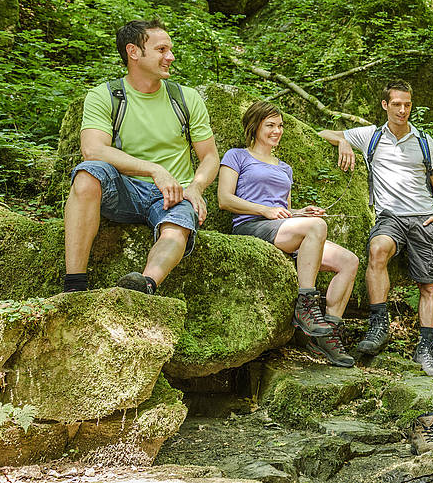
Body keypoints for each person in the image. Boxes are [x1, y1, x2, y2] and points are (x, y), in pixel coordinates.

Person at [63, 19, 219, 295]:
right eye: (161, 50)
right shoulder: (106, 96)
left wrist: (196, 187)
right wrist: (154, 170)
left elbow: (209, 156)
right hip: (124, 188)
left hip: (173, 194)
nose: (170, 57)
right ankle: (75, 284)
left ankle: (144, 284)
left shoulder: (186, 98)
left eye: (170, 50)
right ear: (133, 52)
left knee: (177, 226)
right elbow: (93, 149)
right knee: (87, 174)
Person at [318, 80, 433, 379]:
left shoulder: (425, 141)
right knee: (377, 250)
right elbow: (323, 132)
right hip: (389, 216)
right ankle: (379, 324)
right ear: (385, 105)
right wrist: (344, 141)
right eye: (397, 104)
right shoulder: (371, 136)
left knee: (428, 285)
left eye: (407, 104)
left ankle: (426, 346)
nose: (403, 110)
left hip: (423, 217)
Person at [218, 101, 359, 368]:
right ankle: (306, 304)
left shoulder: (284, 168)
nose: (277, 130)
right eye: (270, 125)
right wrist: (266, 211)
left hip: (282, 229)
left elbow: (284, 209)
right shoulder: (237, 156)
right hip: (251, 226)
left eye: (280, 125)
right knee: (316, 228)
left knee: (349, 261)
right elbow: (224, 199)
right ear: (255, 127)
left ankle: (326, 335)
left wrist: (300, 212)